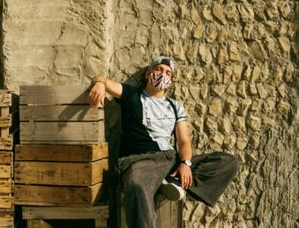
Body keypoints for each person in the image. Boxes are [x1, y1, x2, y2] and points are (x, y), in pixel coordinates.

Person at [88, 56, 238, 228]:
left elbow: (183, 141)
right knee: (136, 184)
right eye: (158, 69)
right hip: (141, 161)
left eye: (168, 72)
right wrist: (99, 83)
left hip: (170, 160)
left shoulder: (175, 106)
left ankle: (173, 181)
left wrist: (185, 163)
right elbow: (103, 81)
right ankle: (168, 182)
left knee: (228, 162)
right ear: (148, 74)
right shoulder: (132, 95)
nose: (162, 74)